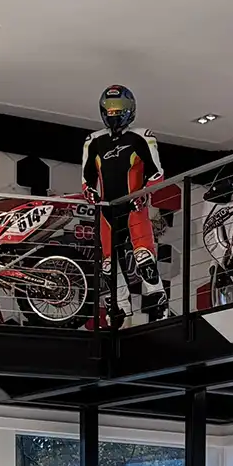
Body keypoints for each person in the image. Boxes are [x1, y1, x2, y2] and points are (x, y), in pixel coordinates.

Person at [79, 84, 168, 323]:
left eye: (119, 108)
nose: (114, 112)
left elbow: (157, 173)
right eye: (109, 107)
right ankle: (118, 308)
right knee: (108, 265)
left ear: (130, 109)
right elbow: (86, 179)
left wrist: (143, 193)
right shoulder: (93, 142)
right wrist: (89, 193)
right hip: (106, 210)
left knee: (145, 259)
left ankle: (158, 302)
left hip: (134, 208)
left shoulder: (142, 136)